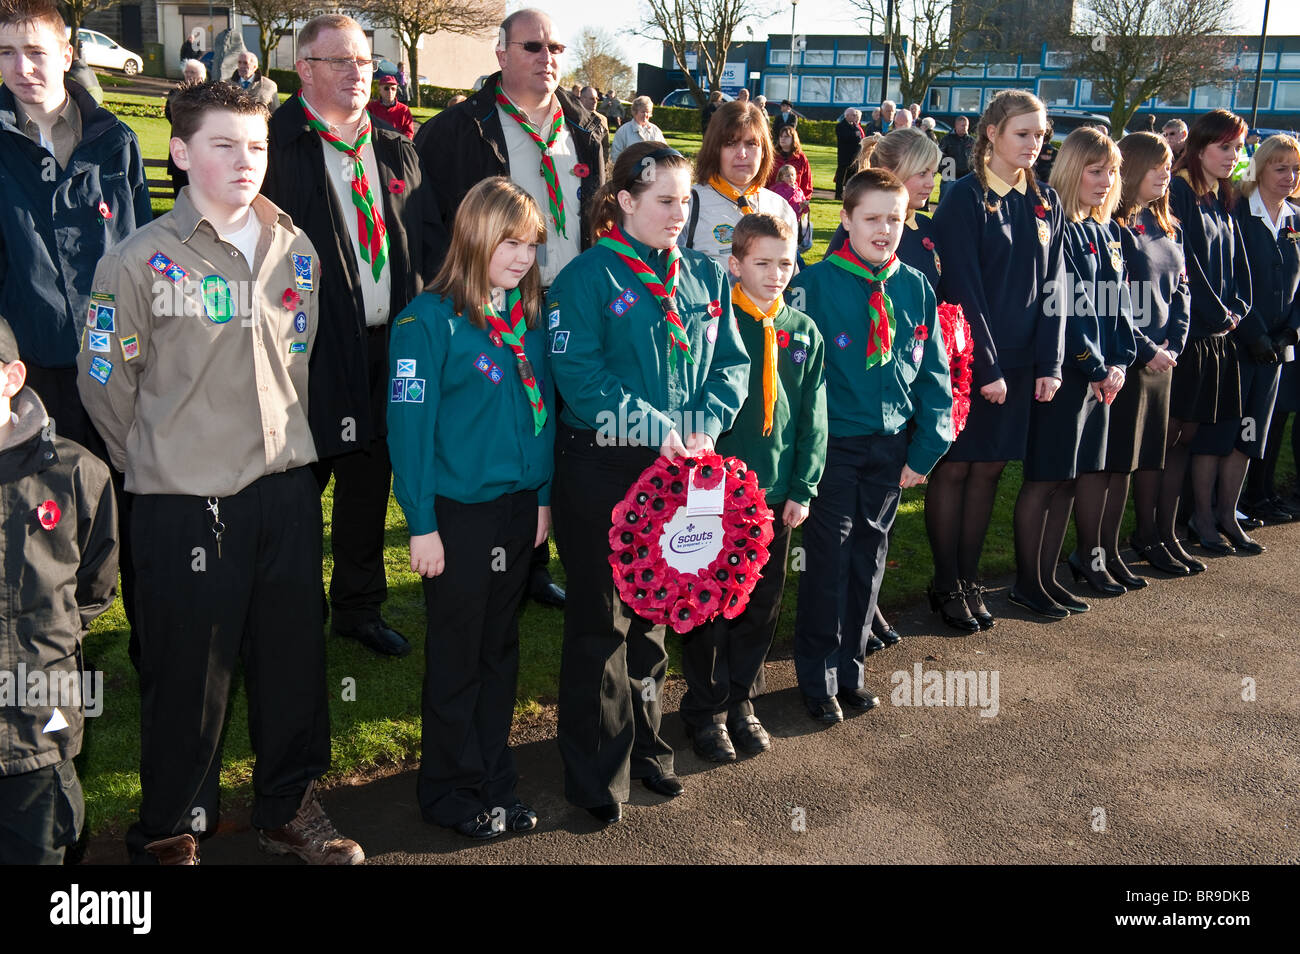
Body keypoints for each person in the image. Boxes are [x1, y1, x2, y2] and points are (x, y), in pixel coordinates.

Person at [79, 80, 363, 865]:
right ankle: (171, 828)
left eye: (258, 145)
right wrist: (161, 462)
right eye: (224, 144)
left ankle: (287, 806)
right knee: (187, 678)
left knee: (294, 664)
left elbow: (295, 362)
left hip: (285, 491)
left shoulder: (294, 247)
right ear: (180, 152)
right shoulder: (136, 261)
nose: (246, 161)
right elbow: (105, 382)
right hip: (183, 502)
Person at [547, 141, 748, 823]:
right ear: (625, 202)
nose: (678, 211)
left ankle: (647, 751)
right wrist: (650, 423)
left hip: (678, 467)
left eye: (685, 199)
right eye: (664, 199)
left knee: (658, 616)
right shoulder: (585, 279)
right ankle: (595, 773)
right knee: (602, 624)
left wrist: (705, 424)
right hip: (604, 465)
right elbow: (580, 377)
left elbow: (730, 365)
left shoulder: (705, 275)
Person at [264, 13, 443, 658]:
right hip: (304, 350)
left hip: (387, 347)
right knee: (300, 484)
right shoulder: (275, 145)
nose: (356, 74)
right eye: (339, 62)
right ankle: (293, 604)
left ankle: (359, 607)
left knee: (370, 482)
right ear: (304, 68)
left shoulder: (395, 147)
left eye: (364, 62)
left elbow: (425, 246)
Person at [417, 8, 606, 608]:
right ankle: (466, 554)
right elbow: (431, 223)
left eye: (555, 46)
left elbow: (596, 216)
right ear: (500, 54)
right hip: (490, 299)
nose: (546, 56)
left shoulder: (585, 128)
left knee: (547, 420)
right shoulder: (459, 129)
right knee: (495, 421)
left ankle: (531, 558)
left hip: (566, 301)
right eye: (532, 46)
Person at [388, 178, 554, 839]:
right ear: (473, 236)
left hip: (517, 513)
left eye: (531, 245)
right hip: (457, 518)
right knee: (457, 658)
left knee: (499, 650)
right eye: (508, 242)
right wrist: (421, 523)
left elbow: (542, 420)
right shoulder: (426, 321)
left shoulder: (527, 319)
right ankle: (449, 791)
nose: (520, 257)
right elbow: (410, 432)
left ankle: (493, 780)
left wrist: (541, 499)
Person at [0, 0, 150, 660]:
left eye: (35, 51)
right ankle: (61, 662)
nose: (21, 67)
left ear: (68, 55)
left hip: (119, 364)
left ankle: (160, 647)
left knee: (141, 514)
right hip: (34, 372)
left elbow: (148, 248)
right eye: (5, 53)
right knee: (48, 526)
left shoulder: (114, 141)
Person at [789, 168, 952, 723]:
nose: (885, 229)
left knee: (869, 559)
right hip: (833, 447)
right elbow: (796, 380)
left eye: (895, 219)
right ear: (848, 220)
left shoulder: (914, 287)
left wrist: (925, 447)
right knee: (828, 560)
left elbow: (933, 372)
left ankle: (851, 668)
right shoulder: (812, 285)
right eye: (873, 218)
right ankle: (817, 675)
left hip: (890, 447)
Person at [680, 213, 826, 760]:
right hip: (716, 496)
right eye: (762, 263)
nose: (775, 274)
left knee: (760, 603)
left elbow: (814, 416)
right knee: (710, 603)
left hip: (773, 495)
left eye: (785, 263)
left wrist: (803, 487)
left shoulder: (802, 330)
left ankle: (742, 700)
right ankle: (705, 708)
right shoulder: (717, 325)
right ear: (735, 263)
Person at [927, 90, 1065, 632]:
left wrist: (1051, 363)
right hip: (972, 360)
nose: (1034, 144)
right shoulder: (963, 197)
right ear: (992, 134)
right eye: (1022, 134)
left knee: (988, 472)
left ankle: (967, 579)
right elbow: (963, 288)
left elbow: (1056, 286)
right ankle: (943, 583)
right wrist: (987, 369)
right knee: (956, 469)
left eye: (1040, 134)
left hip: (1025, 362)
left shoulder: (1043, 200)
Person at [0, 317, 117, 864]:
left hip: (35, 728)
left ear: (13, 377)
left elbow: (93, 587)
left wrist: (46, 644)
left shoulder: (75, 474)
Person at [1042, 128, 1136, 609]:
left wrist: (1120, 361)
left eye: (1111, 172)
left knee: (1085, 477)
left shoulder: (1109, 230)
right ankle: (1036, 581)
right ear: (1072, 170)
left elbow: (1120, 307)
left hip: (1105, 376)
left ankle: (1073, 567)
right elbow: (1065, 308)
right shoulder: (1061, 227)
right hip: (1073, 372)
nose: (1104, 181)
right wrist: (1097, 366)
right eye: (1094, 171)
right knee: (1056, 479)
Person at [1170, 109, 1254, 558]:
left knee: (1216, 434)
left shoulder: (1223, 195)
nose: (1233, 155)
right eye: (1225, 147)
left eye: (1238, 147)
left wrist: (1239, 307)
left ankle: (1210, 517)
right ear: (1200, 148)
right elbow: (1185, 262)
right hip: (1193, 336)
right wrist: (1218, 312)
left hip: (1223, 335)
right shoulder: (1181, 191)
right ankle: (1192, 520)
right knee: (1187, 436)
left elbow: (1239, 262)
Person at [1205, 136, 1300, 528]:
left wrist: (1290, 332)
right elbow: (1232, 282)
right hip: (1242, 341)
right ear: (1260, 169)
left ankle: (1251, 498)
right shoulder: (1238, 213)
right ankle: (1214, 508)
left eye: (1295, 169)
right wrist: (1257, 333)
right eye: (1280, 168)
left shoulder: (1295, 217)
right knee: (1231, 428)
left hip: (1280, 346)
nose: (1289, 177)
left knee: (1265, 425)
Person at [1110, 132, 1193, 577]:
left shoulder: (1164, 223)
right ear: (1133, 168)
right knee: (1124, 460)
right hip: (1133, 357)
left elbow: (1181, 290)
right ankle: (1106, 551)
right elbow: (1113, 300)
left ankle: (1154, 536)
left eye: (1169, 163)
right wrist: (1147, 349)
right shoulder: (1118, 228)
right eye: (1157, 164)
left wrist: (1173, 345)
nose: (1166, 171)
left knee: (1152, 457)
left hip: (1165, 357)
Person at [681, 100, 797, 269]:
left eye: (751, 144)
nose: (742, 154)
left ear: (764, 151)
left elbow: (791, 279)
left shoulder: (781, 208)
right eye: (731, 143)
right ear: (715, 149)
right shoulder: (687, 205)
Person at [826, 129, 942, 292]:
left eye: (934, 174)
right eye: (922, 173)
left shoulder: (927, 227)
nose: (931, 183)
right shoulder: (856, 230)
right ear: (888, 174)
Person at [164, 59, 206, 195]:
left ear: (201, 76)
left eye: (192, 72)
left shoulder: (208, 94)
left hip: (200, 151)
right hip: (180, 149)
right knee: (180, 194)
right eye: (186, 72)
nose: (188, 75)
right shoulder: (175, 93)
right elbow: (170, 115)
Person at [610, 94, 663, 164]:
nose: (645, 115)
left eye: (648, 112)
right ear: (634, 112)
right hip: (629, 173)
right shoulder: (623, 131)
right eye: (643, 111)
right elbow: (615, 155)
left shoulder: (656, 131)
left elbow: (664, 152)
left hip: (653, 172)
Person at [769, 123, 812, 197]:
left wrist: (804, 199)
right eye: (781, 136)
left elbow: (807, 182)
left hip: (794, 199)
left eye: (786, 136)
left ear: (793, 139)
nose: (782, 139)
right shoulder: (772, 156)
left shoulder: (801, 158)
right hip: (773, 198)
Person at [367, 72, 414, 138]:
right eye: (386, 88)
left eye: (393, 89)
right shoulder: (371, 108)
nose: (390, 92)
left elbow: (409, 132)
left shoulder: (404, 110)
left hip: (397, 145)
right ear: (380, 90)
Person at [939, 115, 975, 200]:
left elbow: (975, 159)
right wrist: (943, 171)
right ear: (956, 125)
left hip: (966, 177)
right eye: (962, 125)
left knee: (963, 203)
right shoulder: (947, 139)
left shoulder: (972, 141)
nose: (965, 128)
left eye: (966, 125)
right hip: (949, 177)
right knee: (945, 202)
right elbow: (939, 156)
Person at [834, 107, 864, 200]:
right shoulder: (840, 126)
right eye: (854, 115)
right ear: (847, 116)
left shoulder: (855, 125)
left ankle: (849, 194)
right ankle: (838, 195)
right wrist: (855, 135)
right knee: (841, 175)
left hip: (855, 155)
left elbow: (859, 137)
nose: (855, 117)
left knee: (852, 176)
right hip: (845, 155)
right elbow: (844, 137)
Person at [579, 85, 609, 152]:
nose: (595, 101)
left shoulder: (603, 119)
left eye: (597, 98)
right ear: (582, 99)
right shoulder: (575, 116)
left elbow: (605, 146)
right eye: (592, 98)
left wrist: (603, 161)